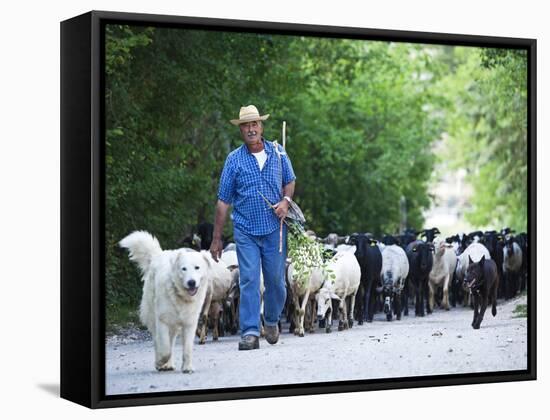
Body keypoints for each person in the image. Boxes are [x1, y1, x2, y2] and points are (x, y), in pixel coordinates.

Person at [210, 105, 296, 350]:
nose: (250, 129)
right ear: (240, 130)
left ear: (261, 127)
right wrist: (217, 238)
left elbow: (289, 182)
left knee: (277, 282)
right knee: (248, 280)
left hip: (274, 231)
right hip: (246, 230)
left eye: (254, 124)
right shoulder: (233, 160)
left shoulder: (278, 153)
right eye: (245, 125)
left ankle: (270, 320)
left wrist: (285, 202)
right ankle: (249, 332)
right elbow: (223, 200)